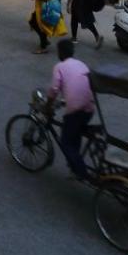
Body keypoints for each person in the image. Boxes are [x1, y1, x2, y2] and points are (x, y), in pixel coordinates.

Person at [46, 39, 94, 179]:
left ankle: (82, 173)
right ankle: (74, 167)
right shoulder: (81, 64)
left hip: (75, 109)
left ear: (60, 53)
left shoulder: (60, 66)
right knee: (75, 135)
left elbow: (54, 89)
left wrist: (48, 106)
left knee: (66, 142)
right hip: (89, 108)